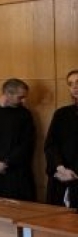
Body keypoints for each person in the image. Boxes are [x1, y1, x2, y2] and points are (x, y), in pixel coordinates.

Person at [44, 70, 78, 206]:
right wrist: (60, 168)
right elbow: (51, 145)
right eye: (70, 84)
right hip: (62, 176)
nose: (74, 87)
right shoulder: (62, 114)